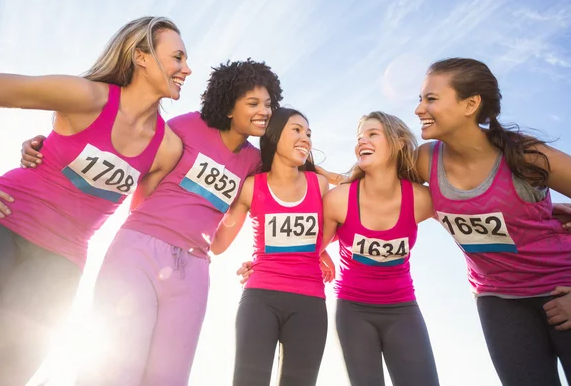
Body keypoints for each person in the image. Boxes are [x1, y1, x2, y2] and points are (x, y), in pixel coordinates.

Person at [21, 58, 283, 385]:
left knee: (169, 377)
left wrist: (265, 260)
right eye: (253, 103)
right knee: (114, 369)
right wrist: (50, 146)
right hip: (139, 249)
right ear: (230, 106)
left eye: (269, 104)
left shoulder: (254, 162)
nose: (265, 111)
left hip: (195, 268)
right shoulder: (187, 126)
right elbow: (129, 153)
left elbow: (277, 201)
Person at [0, 16, 189, 385]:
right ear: (141, 57)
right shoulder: (85, 96)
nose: (186, 69)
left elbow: (149, 218)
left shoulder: (167, 149)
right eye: (178, 57)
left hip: (60, 264)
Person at [415, 57, 571, 385]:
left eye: (431, 98)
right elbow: (374, 189)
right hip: (499, 300)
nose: (419, 109)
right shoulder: (425, 159)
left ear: (470, 103)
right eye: (420, 99)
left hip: (562, 287)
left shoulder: (526, 154)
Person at [211, 107, 332, 386]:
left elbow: (339, 224)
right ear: (274, 134)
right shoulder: (252, 187)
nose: (306, 138)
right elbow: (218, 244)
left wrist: (322, 251)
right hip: (260, 298)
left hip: (310, 303)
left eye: (309, 133)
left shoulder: (321, 185)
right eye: (297, 130)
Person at [319, 111, 440, 386]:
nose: (362, 140)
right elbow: (307, 250)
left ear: (398, 142)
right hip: (353, 311)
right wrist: (260, 263)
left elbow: (466, 219)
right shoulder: (338, 200)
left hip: (403, 309)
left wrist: (543, 213)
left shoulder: (421, 199)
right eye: (359, 136)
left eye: (372, 134)